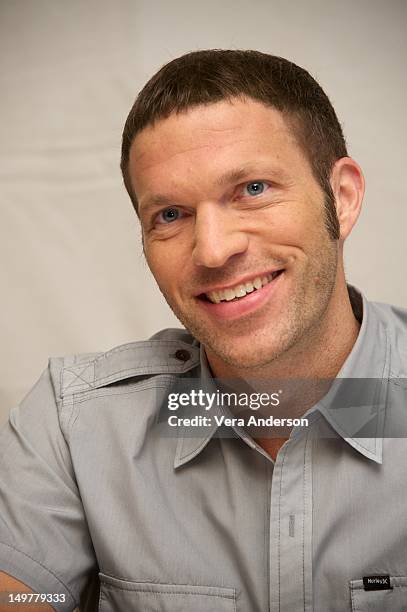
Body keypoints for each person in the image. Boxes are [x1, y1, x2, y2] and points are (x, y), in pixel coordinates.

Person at [0, 49, 406, 612]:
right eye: (170, 215)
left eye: (254, 189)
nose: (214, 250)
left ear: (342, 197)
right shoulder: (79, 423)